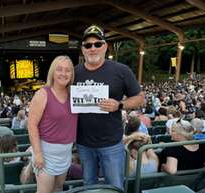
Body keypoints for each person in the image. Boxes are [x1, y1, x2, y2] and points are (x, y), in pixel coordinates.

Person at [74, 25, 145, 190]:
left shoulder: (121, 70)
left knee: (115, 186)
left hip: (111, 143)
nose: (93, 48)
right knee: (88, 186)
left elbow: (140, 98)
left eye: (97, 44)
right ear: (83, 49)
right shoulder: (74, 72)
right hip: (84, 143)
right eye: (88, 45)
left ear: (105, 47)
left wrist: (120, 104)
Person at [28, 55, 78, 193]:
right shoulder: (43, 94)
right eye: (59, 69)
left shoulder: (74, 95)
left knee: (58, 189)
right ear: (52, 72)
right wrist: (38, 154)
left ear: (72, 74)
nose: (63, 73)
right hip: (46, 154)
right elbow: (31, 125)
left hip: (65, 153)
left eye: (68, 70)